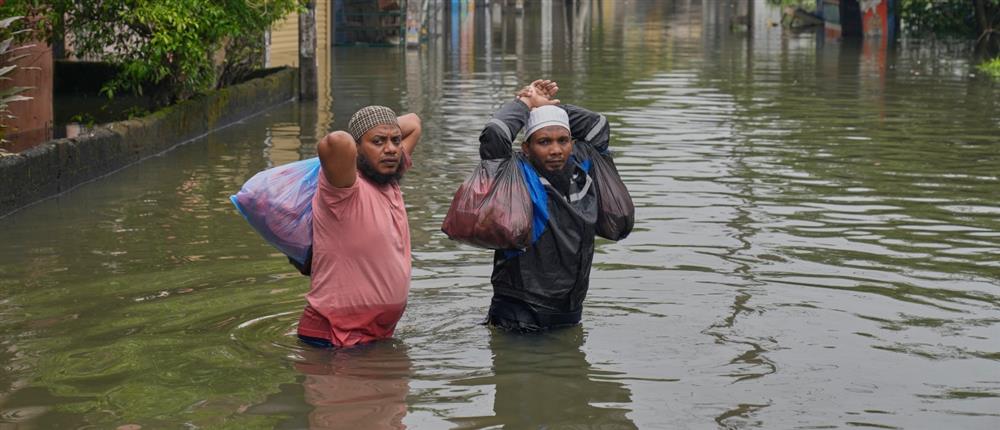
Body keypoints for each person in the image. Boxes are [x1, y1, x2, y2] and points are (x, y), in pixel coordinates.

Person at [478, 79, 614, 332]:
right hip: (521, 313)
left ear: (572, 144)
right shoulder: (514, 175)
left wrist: (546, 107)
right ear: (526, 148)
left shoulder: (582, 167)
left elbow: (598, 124)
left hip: (570, 309)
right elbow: (495, 133)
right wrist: (525, 104)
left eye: (563, 140)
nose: (556, 150)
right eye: (544, 142)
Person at [297, 105, 422, 348]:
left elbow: (414, 122)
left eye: (396, 141)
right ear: (356, 150)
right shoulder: (344, 188)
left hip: (376, 336)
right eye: (378, 142)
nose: (391, 149)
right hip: (333, 340)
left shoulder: (390, 179)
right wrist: (367, 127)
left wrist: (379, 128)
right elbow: (336, 141)